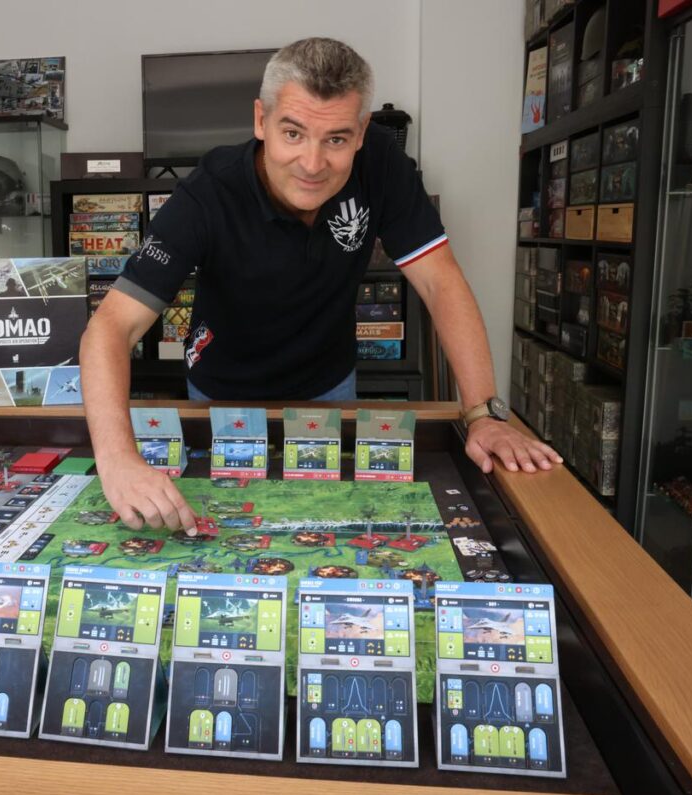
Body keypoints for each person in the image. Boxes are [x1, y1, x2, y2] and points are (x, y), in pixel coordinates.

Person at [81, 37, 561, 534]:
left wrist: (483, 414)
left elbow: (441, 282)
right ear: (261, 121)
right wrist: (118, 459)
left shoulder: (382, 165)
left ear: (361, 132)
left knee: (321, 519)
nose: (312, 164)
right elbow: (111, 327)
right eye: (293, 133)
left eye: (335, 139)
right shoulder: (208, 192)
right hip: (220, 391)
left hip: (330, 385)